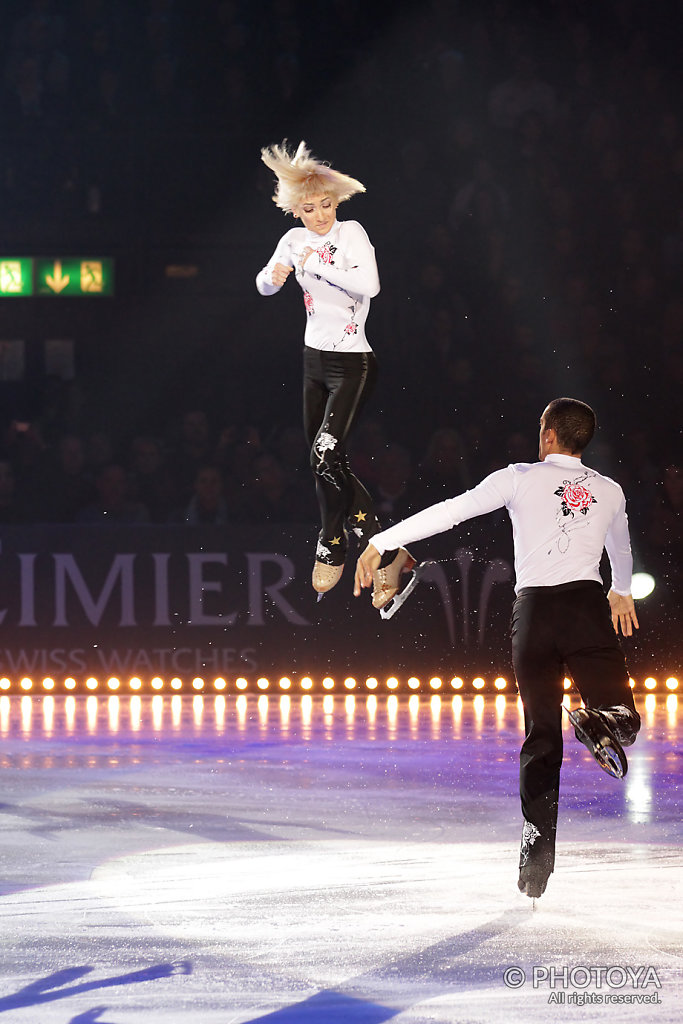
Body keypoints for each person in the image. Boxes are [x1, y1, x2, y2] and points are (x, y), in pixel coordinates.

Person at [354, 397, 641, 899]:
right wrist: (621, 589)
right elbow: (621, 545)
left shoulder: (516, 477)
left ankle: (536, 854)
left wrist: (383, 539)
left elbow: (451, 513)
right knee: (626, 720)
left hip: (532, 617)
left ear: (548, 435)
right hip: (585, 610)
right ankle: (601, 719)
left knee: (542, 737)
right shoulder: (610, 491)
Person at [256, 139, 411, 607]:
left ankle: (332, 541)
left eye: (326, 205)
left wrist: (319, 265)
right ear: (295, 209)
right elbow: (263, 284)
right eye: (310, 208)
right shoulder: (293, 240)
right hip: (313, 361)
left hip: (352, 362)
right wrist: (276, 276)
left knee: (325, 455)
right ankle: (387, 552)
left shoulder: (351, 235)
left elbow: (371, 285)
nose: (320, 215)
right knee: (326, 460)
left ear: (336, 203)